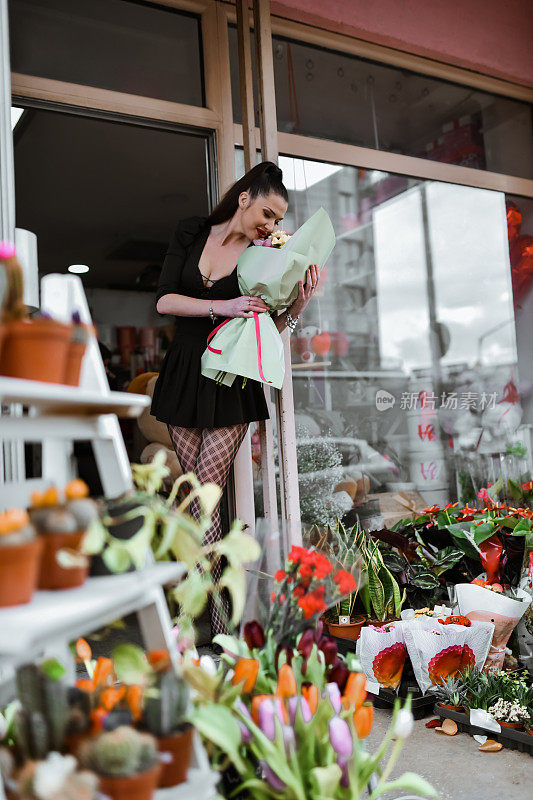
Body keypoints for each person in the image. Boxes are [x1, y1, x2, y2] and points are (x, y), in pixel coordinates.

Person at [150, 161, 319, 635]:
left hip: (229, 379)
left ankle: (210, 620)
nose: (271, 226)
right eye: (267, 212)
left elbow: (268, 329)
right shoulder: (190, 232)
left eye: (277, 220)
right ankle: (208, 618)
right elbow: (164, 301)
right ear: (244, 197)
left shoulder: (263, 256)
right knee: (197, 503)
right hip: (184, 371)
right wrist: (220, 306)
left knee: (204, 499)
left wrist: (298, 306)